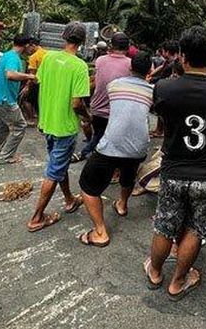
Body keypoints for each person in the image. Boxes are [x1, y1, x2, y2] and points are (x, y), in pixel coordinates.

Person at [145, 26, 206, 301]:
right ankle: (178, 281)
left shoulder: (163, 88)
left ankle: (155, 272)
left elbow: (162, 117)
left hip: (174, 170)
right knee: (196, 229)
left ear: (182, 56)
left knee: (165, 225)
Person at [77, 52, 154, 247]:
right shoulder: (153, 91)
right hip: (138, 147)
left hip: (112, 144)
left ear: (130, 68)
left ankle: (101, 232)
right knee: (127, 176)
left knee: (87, 185)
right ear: (150, 71)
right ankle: (122, 204)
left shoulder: (115, 85)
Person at [27, 22, 91, 233]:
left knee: (57, 161)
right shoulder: (79, 66)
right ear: (82, 42)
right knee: (54, 171)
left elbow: (38, 83)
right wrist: (87, 118)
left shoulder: (48, 58)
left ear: (63, 36)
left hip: (47, 122)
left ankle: (69, 199)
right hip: (64, 126)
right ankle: (37, 217)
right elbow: (76, 103)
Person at [74, 32, 132, 162]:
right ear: (127, 47)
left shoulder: (100, 61)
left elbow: (96, 80)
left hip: (97, 109)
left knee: (99, 134)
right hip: (116, 111)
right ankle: (87, 152)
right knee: (107, 138)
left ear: (111, 46)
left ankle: (87, 151)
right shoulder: (130, 64)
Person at [0, 36, 37, 164]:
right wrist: (30, 76)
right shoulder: (13, 58)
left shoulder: (7, 54)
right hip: (5, 100)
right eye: (32, 46)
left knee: (3, 124)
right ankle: (5, 156)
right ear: (27, 45)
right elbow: (10, 74)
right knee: (20, 126)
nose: (33, 49)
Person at [20, 37, 45, 125]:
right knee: (40, 101)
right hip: (46, 82)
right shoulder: (47, 53)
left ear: (32, 46)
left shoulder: (34, 57)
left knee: (26, 100)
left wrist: (26, 86)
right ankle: (41, 120)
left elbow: (32, 74)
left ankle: (30, 119)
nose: (27, 50)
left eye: (28, 48)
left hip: (36, 82)